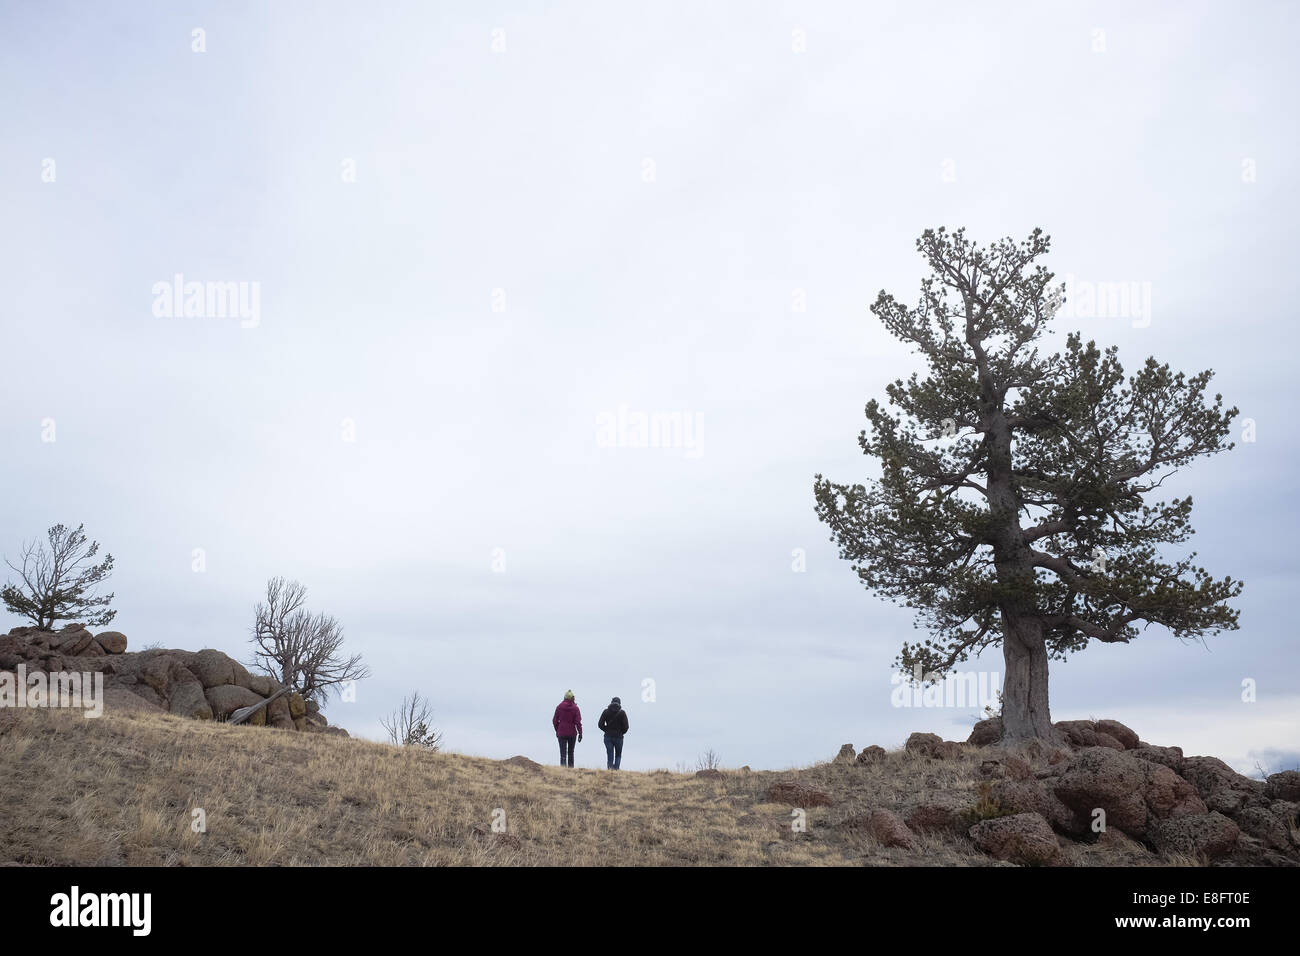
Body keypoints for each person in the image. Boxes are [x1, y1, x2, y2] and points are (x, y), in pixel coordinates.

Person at [597, 696, 629, 769]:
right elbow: (626, 727)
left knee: (610, 753)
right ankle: (616, 769)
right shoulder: (622, 713)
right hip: (619, 737)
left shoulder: (606, 711)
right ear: (620, 703)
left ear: (611, 702)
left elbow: (600, 724)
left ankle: (610, 768)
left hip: (608, 736)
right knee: (618, 754)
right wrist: (621, 732)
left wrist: (606, 730)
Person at [552, 689, 582, 767]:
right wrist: (580, 733)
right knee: (571, 752)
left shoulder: (559, 707)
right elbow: (578, 722)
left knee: (563, 752)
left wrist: (557, 729)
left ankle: (563, 769)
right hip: (572, 733)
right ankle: (571, 769)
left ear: (565, 698)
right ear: (573, 698)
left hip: (561, 732)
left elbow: (554, 720)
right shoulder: (575, 708)